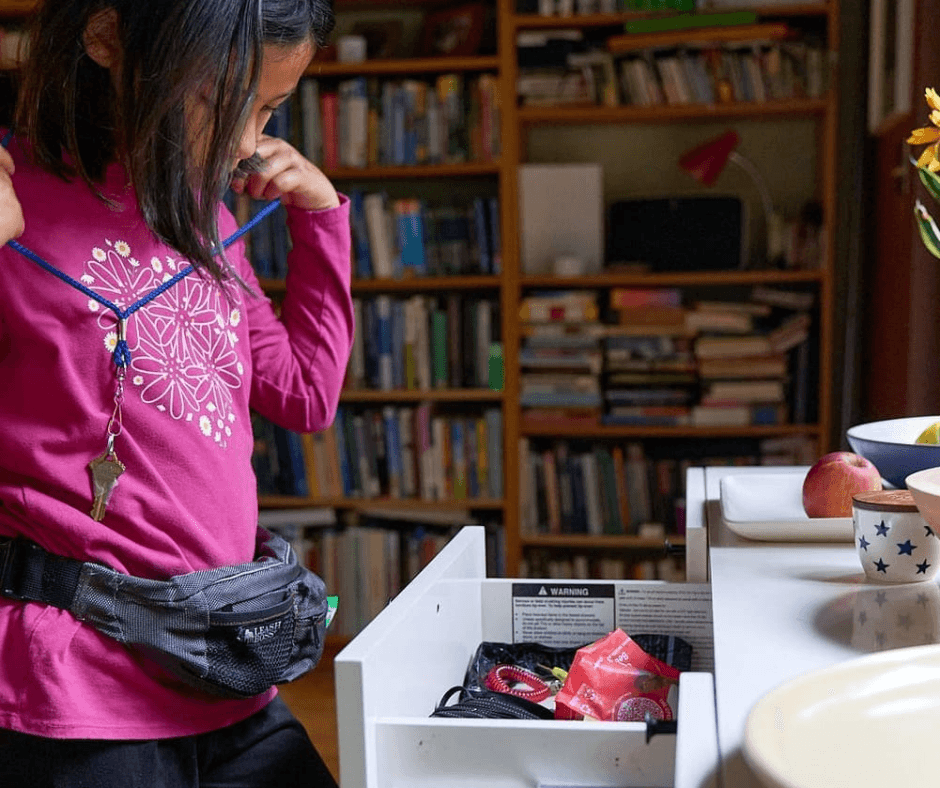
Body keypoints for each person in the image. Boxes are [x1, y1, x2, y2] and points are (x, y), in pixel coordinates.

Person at [0, 1, 354, 786]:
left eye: (267, 111)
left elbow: (304, 394)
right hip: (77, 683)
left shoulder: (199, 210)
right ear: (107, 39)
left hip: (219, 662)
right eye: (225, 103)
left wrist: (321, 220)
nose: (245, 142)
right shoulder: (11, 200)